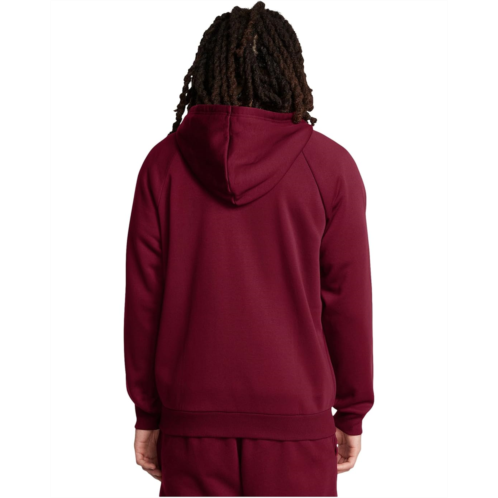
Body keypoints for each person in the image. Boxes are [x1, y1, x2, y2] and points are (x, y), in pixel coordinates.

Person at [125, 2, 374, 496]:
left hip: (191, 424)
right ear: (289, 71)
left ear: (205, 69)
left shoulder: (163, 165)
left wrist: (147, 413)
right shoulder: (330, 166)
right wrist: (351, 411)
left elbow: (143, 301)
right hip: (297, 424)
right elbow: (348, 302)